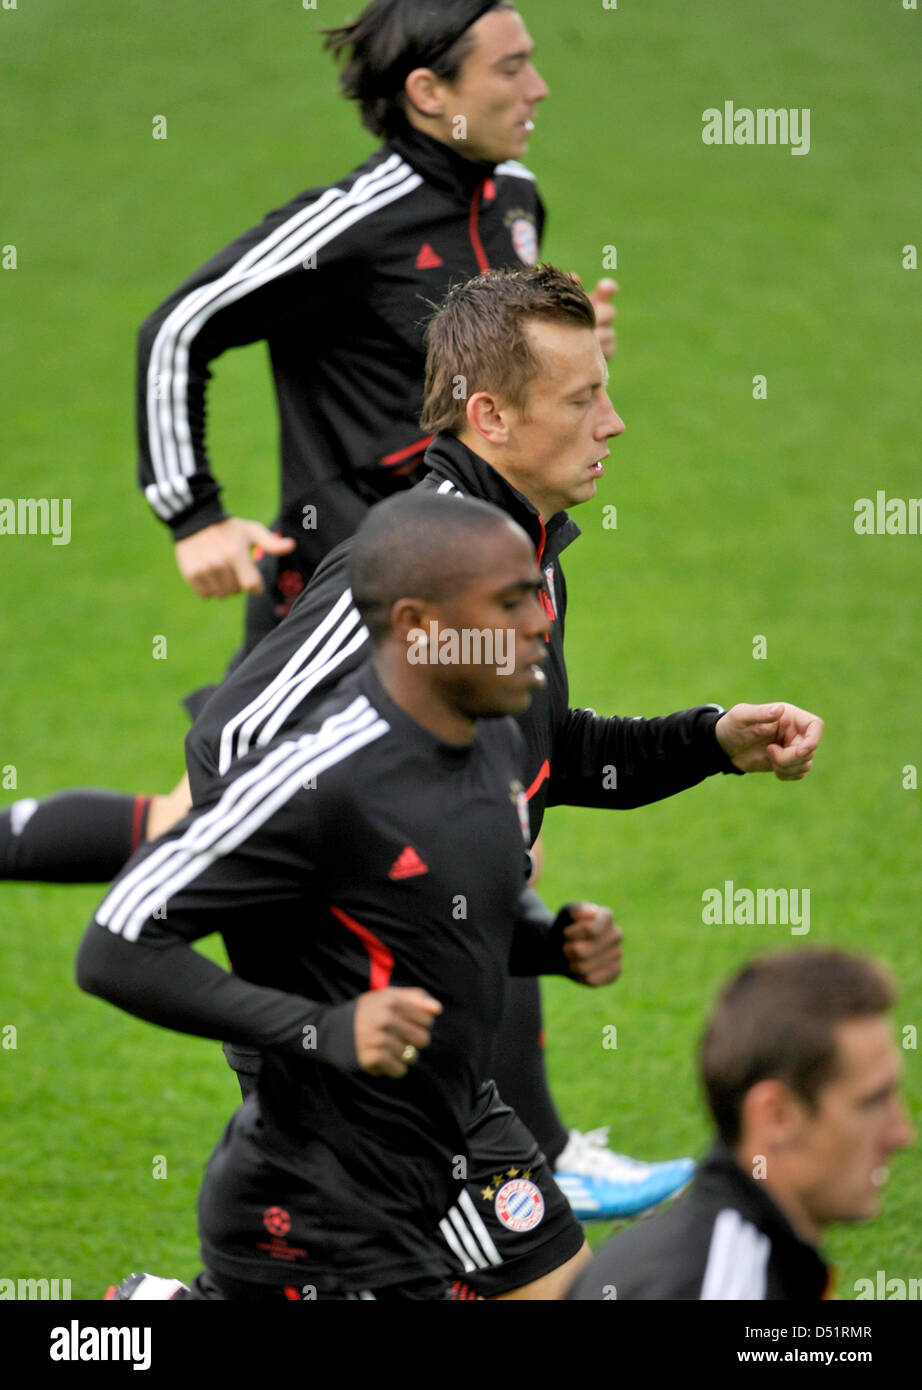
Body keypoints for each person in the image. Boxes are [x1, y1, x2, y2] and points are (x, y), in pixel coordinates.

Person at [0, 2, 633, 1214]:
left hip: (468, 574)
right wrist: (192, 511)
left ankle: (519, 1155)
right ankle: (487, 1153)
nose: (539, 86)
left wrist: (571, 362)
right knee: (344, 822)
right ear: (429, 94)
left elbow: (494, 370)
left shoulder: (513, 201)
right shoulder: (356, 221)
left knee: (442, 813)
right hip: (350, 601)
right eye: (511, 67)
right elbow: (180, 325)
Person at [181, 264, 823, 1222]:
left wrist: (713, 742)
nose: (614, 424)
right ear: (490, 417)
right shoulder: (412, 562)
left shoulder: (523, 551)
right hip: (358, 1030)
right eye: (582, 399)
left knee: (520, 1273)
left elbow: (549, 753)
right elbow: (232, 739)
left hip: (436, 1011)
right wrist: (343, 935)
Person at [77, 492, 620, 1300]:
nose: (540, 621)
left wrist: (549, 942)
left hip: (445, 1119)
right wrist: (316, 1025)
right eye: (510, 604)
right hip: (328, 1187)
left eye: (534, 594)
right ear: (420, 624)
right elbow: (115, 946)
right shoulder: (322, 775)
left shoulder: (493, 734)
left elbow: (456, 897)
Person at [566, 949, 914, 1300]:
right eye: (871, 1103)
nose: (902, 1134)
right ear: (775, 1115)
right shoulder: (722, 1285)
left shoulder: (699, 1253)